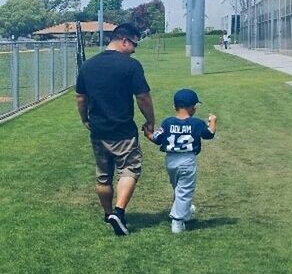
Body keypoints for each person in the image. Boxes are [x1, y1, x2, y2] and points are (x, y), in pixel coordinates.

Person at [75, 23, 155, 236]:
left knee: (103, 176)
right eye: (134, 44)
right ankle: (118, 213)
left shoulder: (87, 66)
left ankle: (108, 213)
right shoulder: (131, 66)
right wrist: (150, 121)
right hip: (123, 131)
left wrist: (85, 119)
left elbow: (80, 98)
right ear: (124, 41)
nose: (135, 50)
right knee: (130, 168)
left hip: (98, 131)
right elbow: (143, 97)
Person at [146, 88, 217, 234]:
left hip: (171, 160)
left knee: (178, 187)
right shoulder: (196, 123)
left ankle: (184, 209)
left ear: (174, 106)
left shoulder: (167, 122)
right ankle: (177, 221)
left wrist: (148, 134)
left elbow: (157, 139)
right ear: (194, 107)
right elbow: (209, 134)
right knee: (185, 189)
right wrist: (212, 121)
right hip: (187, 160)